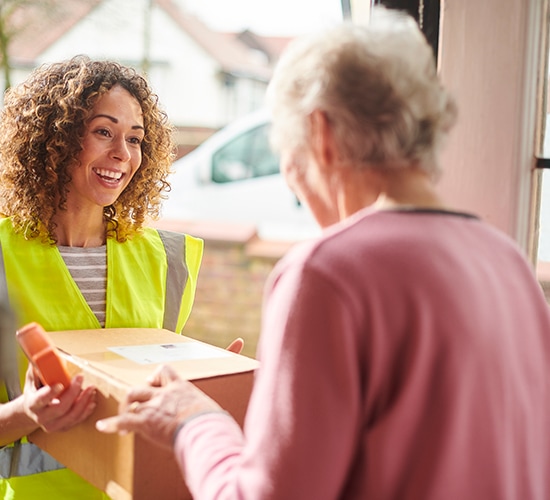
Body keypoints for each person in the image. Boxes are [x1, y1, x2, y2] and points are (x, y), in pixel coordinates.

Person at [97, 7, 550, 500]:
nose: (295, 182)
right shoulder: (509, 263)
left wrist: (195, 421)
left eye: (289, 160)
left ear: (321, 135)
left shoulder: (330, 272)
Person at [0, 56, 205, 499]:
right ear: (55, 137)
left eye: (135, 139)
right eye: (103, 132)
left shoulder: (168, 260)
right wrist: (27, 413)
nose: (122, 154)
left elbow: (156, 394)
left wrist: (209, 381)